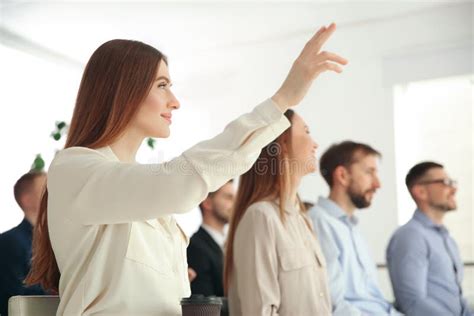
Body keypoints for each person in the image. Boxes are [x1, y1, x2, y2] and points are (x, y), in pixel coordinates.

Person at [25, 23, 348, 315]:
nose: (175, 101)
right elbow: (180, 181)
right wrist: (281, 100)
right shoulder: (74, 168)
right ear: (123, 91)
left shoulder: (144, 189)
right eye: (162, 85)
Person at [225, 109, 331, 316]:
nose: (315, 143)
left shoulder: (302, 220)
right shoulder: (260, 217)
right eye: (307, 132)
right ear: (282, 143)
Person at [308, 141, 401, 315]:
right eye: (369, 172)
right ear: (342, 175)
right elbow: (333, 303)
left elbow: (373, 300)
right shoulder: (319, 222)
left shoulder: (351, 228)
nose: (378, 184)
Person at [387, 162, 473, 316]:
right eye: (445, 183)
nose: (454, 189)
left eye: (452, 182)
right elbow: (412, 303)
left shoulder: (446, 239)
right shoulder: (410, 236)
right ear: (421, 191)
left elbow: (457, 299)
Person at [0, 171, 47, 316]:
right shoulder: (9, 242)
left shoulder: (56, 240)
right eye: (46, 190)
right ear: (27, 200)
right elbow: (13, 297)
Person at [187, 180, 235, 297]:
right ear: (207, 203)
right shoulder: (195, 247)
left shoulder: (231, 244)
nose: (235, 204)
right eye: (229, 198)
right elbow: (205, 302)